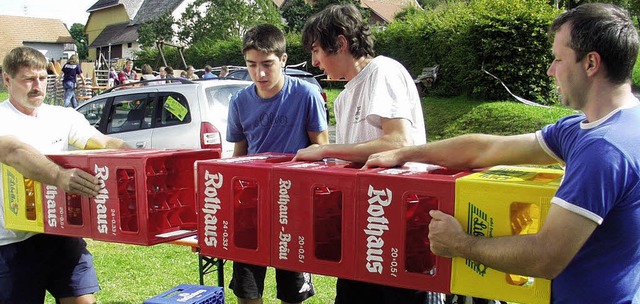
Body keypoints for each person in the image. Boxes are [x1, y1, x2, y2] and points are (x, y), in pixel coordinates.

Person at [363, 3, 640, 303]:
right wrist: (404, 153)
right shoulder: (596, 128)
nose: (550, 71)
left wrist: (460, 244)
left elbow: (545, 257)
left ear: (590, 64)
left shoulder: (602, 149)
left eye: (558, 59)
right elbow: (487, 148)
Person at [293, 4, 442, 304]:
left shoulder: (382, 71)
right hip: (364, 229)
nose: (314, 61)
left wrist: (325, 150)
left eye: (317, 50)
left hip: (400, 228)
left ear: (342, 43)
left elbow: (398, 143)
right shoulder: (345, 96)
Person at [0, 46, 132, 303]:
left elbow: (101, 142)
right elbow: (14, 152)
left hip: (62, 231)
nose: (37, 86)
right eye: (28, 79)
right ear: (7, 79)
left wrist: (142, 154)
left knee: (83, 300)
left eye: (42, 78)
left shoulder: (63, 116)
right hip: (12, 241)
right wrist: (60, 177)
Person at [226, 23, 328, 304]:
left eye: (267, 64)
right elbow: (239, 155)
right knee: (247, 292)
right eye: (251, 65)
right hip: (251, 207)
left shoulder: (305, 94)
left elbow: (322, 150)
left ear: (283, 60)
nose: (259, 73)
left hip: (294, 207)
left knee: (292, 294)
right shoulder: (239, 101)